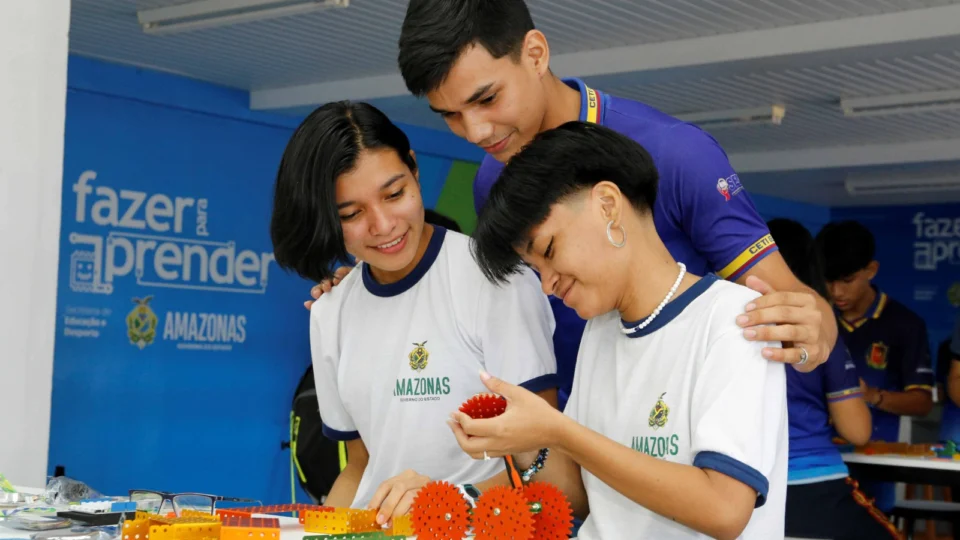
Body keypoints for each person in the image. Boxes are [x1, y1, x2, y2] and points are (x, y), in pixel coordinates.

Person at [308, 0, 837, 410]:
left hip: (673, 442)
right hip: (566, 451)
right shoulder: (493, 178)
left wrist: (812, 333)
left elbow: (802, 320)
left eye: (486, 99)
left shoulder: (675, 153)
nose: (475, 131)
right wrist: (361, 292)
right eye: (449, 115)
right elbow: (490, 304)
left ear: (535, 54)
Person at [450, 122, 789, 539]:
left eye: (550, 252)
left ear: (608, 205)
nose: (547, 284)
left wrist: (559, 431)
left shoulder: (736, 321)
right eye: (535, 269)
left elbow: (723, 509)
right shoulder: (600, 333)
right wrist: (525, 441)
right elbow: (579, 498)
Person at [269, 101, 559, 525]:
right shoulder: (330, 312)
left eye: (395, 194)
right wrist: (322, 531)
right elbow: (359, 466)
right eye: (351, 214)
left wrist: (449, 499)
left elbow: (547, 465)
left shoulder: (497, 281)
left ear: (415, 171)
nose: (383, 225)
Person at [767, 218, 899, 540]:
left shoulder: (722, 326)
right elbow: (857, 430)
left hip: (740, 491)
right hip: (815, 490)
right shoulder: (820, 327)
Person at [816, 220, 935, 513]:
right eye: (828, 280)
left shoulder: (905, 324)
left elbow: (922, 403)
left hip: (877, 462)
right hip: (819, 459)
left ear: (871, 270)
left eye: (847, 280)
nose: (836, 291)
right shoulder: (816, 318)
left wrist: (871, 396)